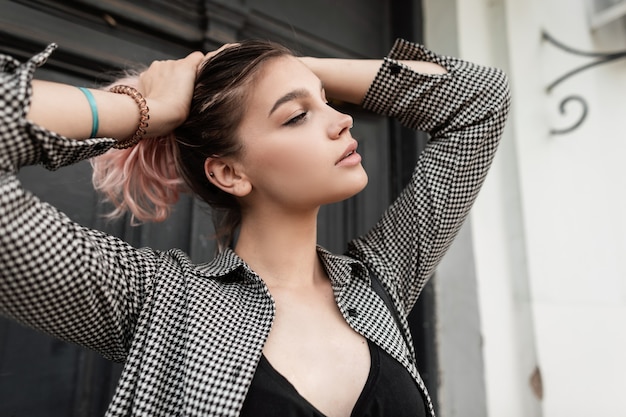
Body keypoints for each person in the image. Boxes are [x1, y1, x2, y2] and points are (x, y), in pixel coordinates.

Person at [0, 36, 510, 417]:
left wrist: (288, 66)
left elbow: (482, 101)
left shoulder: (380, 283)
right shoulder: (155, 299)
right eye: (296, 116)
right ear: (229, 172)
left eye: (327, 100)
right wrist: (144, 110)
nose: (341, 120)